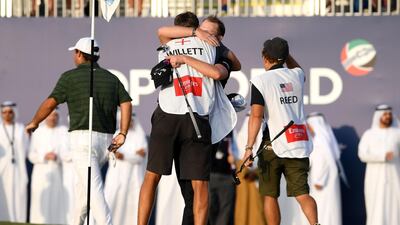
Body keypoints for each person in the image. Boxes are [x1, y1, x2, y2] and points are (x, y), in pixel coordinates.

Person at [138, 11, 236, 225]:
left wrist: (193, 39)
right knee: (200, 184)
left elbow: (161, 31)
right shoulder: (212, 47)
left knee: (152, 176)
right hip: (196, 119)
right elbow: (235, 64)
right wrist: (207, 38)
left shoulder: (167, 46)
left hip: (167, 115)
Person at [25, 37, 132, 225]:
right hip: (105, 142)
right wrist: (122, 132)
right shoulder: (111, 78)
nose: (74, 56)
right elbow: (126, 102)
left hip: (83, 141)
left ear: (80, 54)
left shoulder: (69, 77)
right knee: (83, 193)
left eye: (75, 52)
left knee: (94, 191)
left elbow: (51, 103)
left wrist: (34, 122)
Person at [242, 37, 319, 225]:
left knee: (270, 195)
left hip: (272, 145)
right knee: (302, 194)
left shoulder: (261, 80)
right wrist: (284, 56)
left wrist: (249, 147)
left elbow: (256, 116)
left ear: (265, 56)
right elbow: (297, 68)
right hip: (298, 143)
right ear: (285, 57)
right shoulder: (297, 76)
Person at [358, 104, 400, 225]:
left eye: (389, 114)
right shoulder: (369, 134)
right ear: (378, 116)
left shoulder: (397, 133)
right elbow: (362, 154)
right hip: (375, 179)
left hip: (395, 177)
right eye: (385, 114)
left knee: (395, 204)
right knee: (377, 205)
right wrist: (382, 156)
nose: (388, 116)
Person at [104, 112, 148, 225]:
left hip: (133, 178)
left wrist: (124, 156)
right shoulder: (115, 135)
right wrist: (132, 154)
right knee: (113, 201)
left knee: (132, 205)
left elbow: (140, 157)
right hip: (117, 176)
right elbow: (111, 153)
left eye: (131, 121)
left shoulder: (140, 135)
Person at [28, 109, 68, 224]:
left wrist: (58, 157)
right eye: (50, 115)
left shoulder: (63, 131)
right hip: (41, 173)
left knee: (57, 200)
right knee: (40, 201)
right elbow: (31, 155)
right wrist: (44, 156)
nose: (52, 118)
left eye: (55, 115)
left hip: (58, 172)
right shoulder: (38, 132)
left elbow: (67, 152)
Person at [306, 112, 342, 225]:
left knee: (326, 211)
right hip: (318, 183)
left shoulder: (322, 140)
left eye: (309, 125)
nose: (308, 127)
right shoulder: (317, 140)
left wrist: (320, 180)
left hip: (323, 184)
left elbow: (328, 162)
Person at [0, 101, 29, 223]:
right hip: (2, 169)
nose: (7, 115)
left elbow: (27, 149)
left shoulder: (20, 128)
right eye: (4, 112)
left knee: (19, 196)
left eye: (10, 112)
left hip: (18, 169)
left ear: (14, 113)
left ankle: (18, 220)